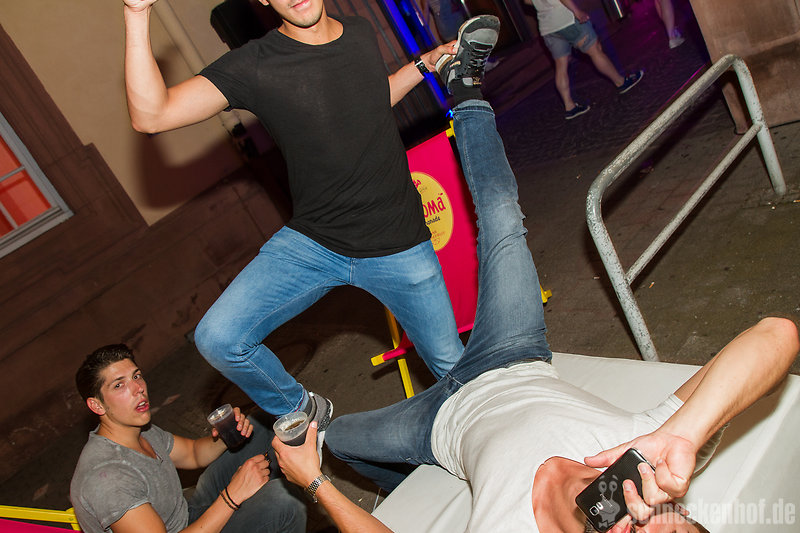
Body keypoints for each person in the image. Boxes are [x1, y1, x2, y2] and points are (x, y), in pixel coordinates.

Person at [274, 18, 799, 532]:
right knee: (503, 217)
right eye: (668, 525)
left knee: (337, 439)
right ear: (679, 509)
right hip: (513, 352)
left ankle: (405, 484)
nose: (640, 524)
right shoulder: (647, 452)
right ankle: (464, 84)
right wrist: (684, 433)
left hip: (437, 427)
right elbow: (776, 334)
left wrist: (316, 485)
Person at [120, 0, 464, 434]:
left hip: (399, 242)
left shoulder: (358, 33)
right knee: (220, 337)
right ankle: (302, 408)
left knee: (456, 374)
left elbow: (372, 101)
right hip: (315, 243)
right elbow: (151, 116)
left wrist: (423, 64)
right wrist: (136, 13)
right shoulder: (254, 65)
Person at [70, 344, 305, 533]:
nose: (138, 388)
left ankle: (309, 473)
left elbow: (193, 454)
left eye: (136, 376)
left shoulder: (137, 428)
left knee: (262, 424)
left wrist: (228, 435)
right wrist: (232, 496)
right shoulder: (107, 480)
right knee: (282, 500)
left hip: (189, 515)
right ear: (97, 405)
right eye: (119, 385)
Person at [528, 0, 644, 119]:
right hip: (567, 19)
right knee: (595, 51)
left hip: (548, 27)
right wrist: (576, 11)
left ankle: (570, 107)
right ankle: (621, 82)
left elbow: (527, 1)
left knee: (561, 65)